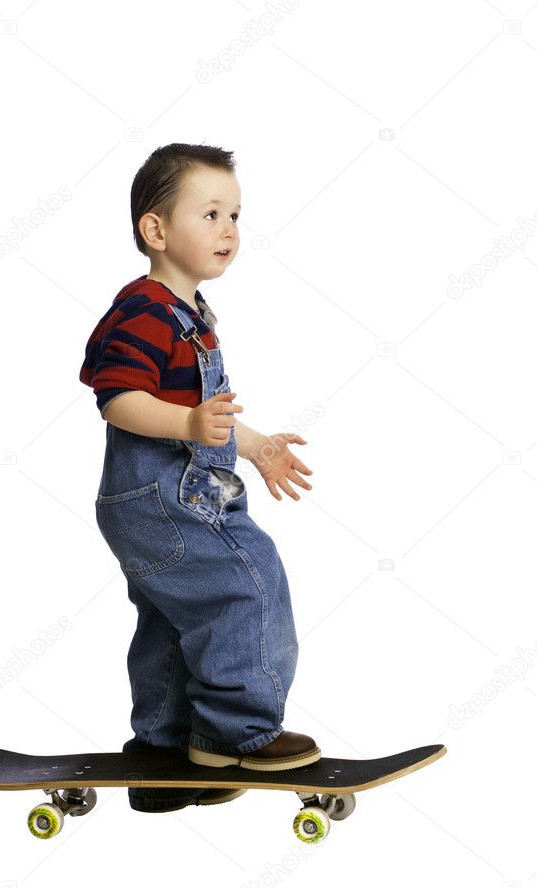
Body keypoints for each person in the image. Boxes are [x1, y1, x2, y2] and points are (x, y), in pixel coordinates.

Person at [79, 143, 320, 813]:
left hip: (161, 496)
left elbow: (201, 416)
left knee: (172, 616)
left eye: (235, 215)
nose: (228, 230)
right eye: (210, 213)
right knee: (245, 585)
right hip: (165, 497)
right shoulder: (144, 312)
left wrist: (255, 445)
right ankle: (236, 734)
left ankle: (165, 744)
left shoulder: (190, 316)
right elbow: (118, 397)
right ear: (155, 231)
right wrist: (190, 430)